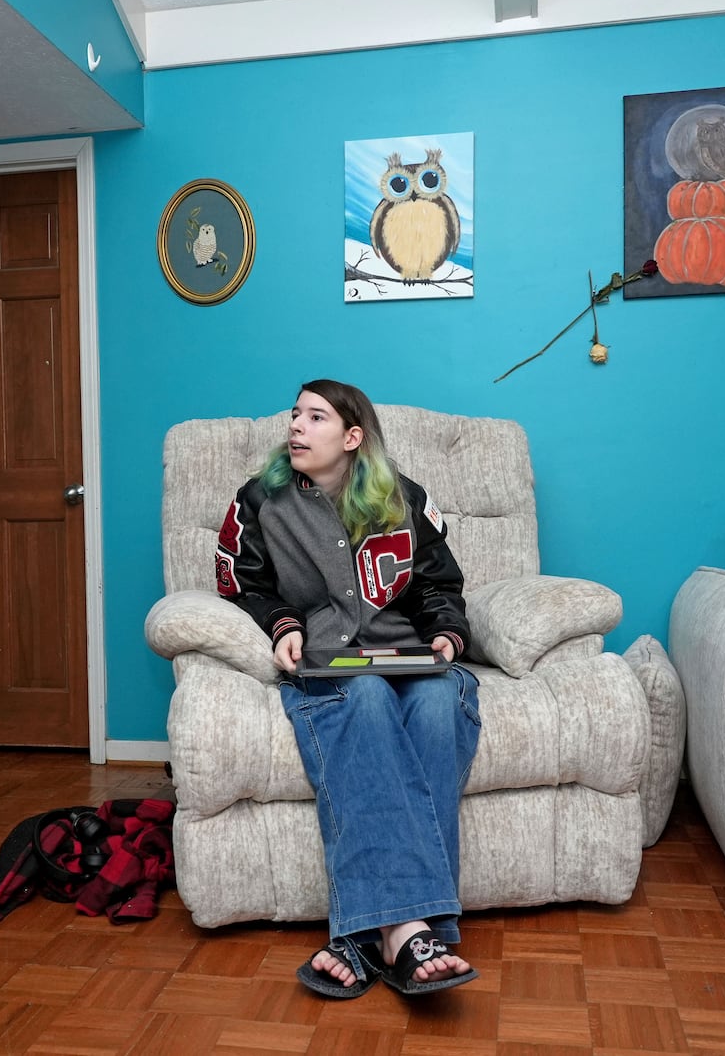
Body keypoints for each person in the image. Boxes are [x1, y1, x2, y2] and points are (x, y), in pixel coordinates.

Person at [215, 379, 482, 998]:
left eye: (315, 417)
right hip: (332, 665)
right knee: (362, 698)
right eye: (294, 415)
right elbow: (240, 583)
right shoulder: (260, 501)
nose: (296, 427)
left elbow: (440, 585)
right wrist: (281, 626)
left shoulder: (405, 498)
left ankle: (365, 937)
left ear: (352, 437)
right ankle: (412, 934)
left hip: (408, 656)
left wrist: (445, 635)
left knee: (443, 702)